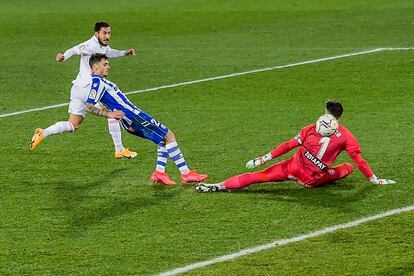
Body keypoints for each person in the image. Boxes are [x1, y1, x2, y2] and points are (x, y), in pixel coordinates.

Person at [196, 100, 395, 192]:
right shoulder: (347, 137)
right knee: (347, 168)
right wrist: (374, 179)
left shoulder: (310, 128)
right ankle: (327, 176)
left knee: (258, 176)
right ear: (339, 118)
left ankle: (218, 186)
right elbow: (358, 160)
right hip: (312, 179)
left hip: (291, 166)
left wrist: (262, 158)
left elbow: (288, 145)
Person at [85, 53, 208, 184]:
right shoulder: (97, 81)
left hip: (132, 117)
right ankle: (186, 174)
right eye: (105, 64)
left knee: (162, 139)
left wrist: (107, 108)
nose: (108, 67)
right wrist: (108, 114)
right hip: (134, 117)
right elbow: (89, 106)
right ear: (95, 67)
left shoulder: (100, 81)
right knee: (169, 135)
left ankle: (159, 173)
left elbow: (102, 101)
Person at [30, 21, 137, 159]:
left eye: (109, 33)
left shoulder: (102, 46)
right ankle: (119, 149)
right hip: (89, 88)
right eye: (104, 33)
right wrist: (63, 56)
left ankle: (43, 132)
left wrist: (124, 53)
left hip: (77, 89)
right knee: (112, 112)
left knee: (73, 124)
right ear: (96, 33)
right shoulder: (90, 45)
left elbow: (109, 52)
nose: (107, 36)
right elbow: (75, 49)